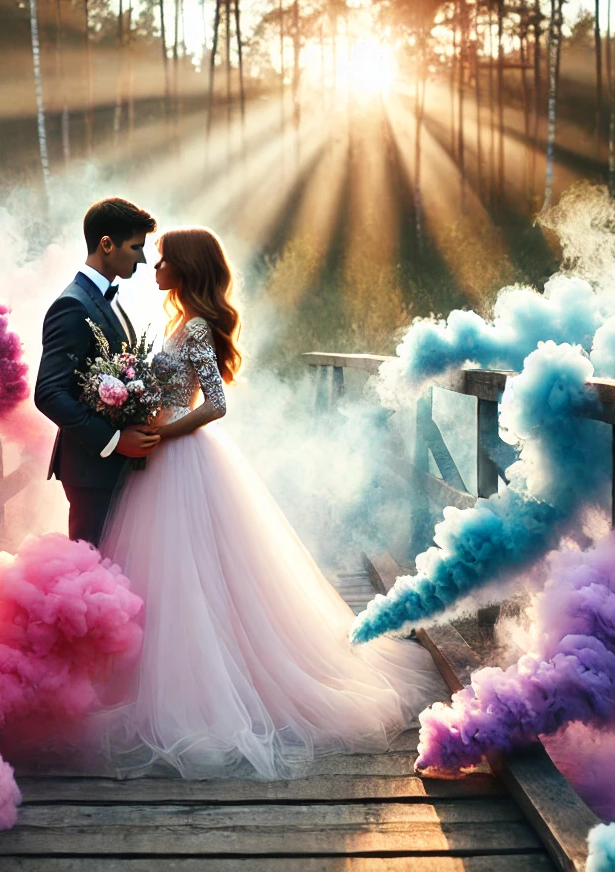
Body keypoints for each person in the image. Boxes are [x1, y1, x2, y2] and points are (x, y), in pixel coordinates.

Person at [95, 225, 442, 780]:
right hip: (159, 457)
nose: (155, 269)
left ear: (185, 268)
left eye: (163, 261)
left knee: (194, 569)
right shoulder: (179, 323)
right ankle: (163, 676)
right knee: (169, 571)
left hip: (182, 456)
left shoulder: (199, 327)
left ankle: (205, 689)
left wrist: (166, 431)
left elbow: (216, 404)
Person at [34, 197, 162, 545]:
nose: (143, 258)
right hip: (93, 471)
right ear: (107, 244)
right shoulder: (72, 305)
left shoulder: (106, 298)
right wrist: (115, 441)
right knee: (94, 570)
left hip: (108, 470)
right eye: (136, 247)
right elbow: (48, 394)